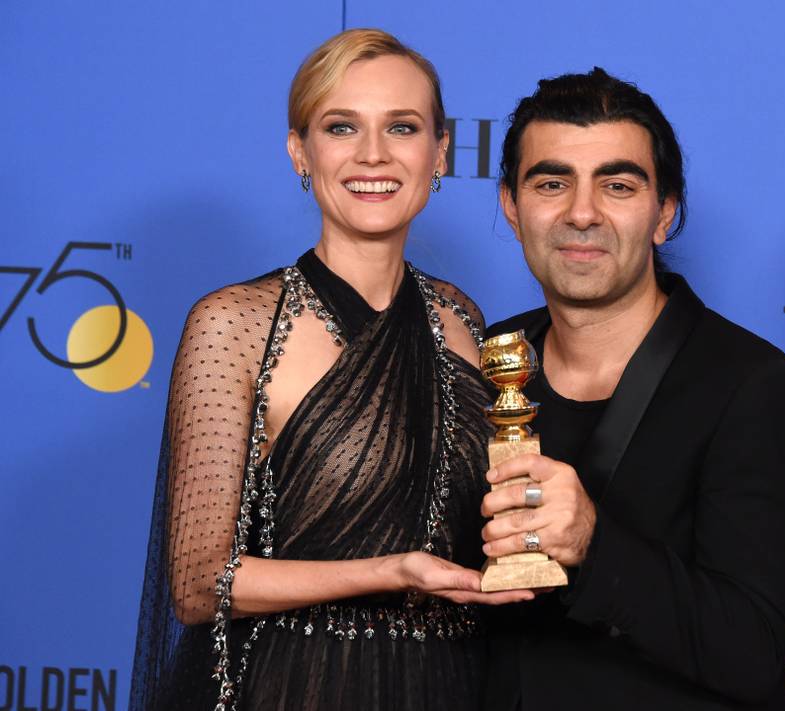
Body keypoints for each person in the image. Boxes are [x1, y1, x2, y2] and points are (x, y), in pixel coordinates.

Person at [129, 29, 532, 711]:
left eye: (401, 127)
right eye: (341, 126)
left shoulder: (463, 318)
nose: (373, 154)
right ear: (300, 152)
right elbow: (199, 584)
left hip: (450, 683)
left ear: (439, 151)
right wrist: (389, 570)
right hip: (292, 685)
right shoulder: (234, 323)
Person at [481, 68, 785, 710]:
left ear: (664, 212)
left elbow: (753, 649)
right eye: (551, 183)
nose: (581, 213)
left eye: (617, 185)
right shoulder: (484, 362)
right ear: (511, 207)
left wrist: (593, 541)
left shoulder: (755, 387)